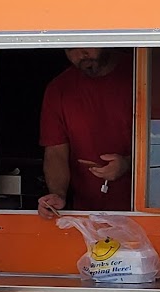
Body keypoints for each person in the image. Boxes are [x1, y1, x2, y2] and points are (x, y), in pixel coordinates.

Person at [35, 48, 134, 217]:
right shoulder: (58, 89)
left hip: (150, 213)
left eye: (87, 43)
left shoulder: (142, 71)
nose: (81, 54)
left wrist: (128, 163)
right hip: (86, 214)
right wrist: (57, 195)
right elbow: (55, 152)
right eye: (71, 48)